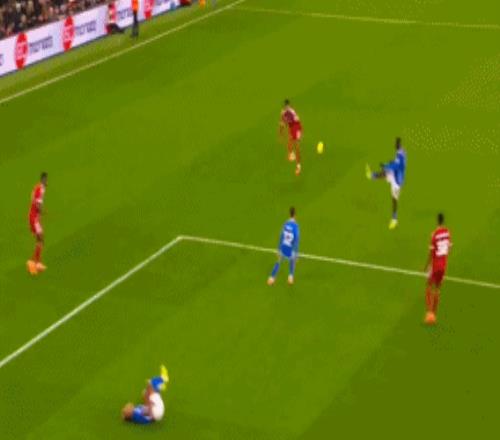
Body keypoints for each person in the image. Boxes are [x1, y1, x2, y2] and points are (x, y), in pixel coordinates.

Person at [366, 137, 407, 229]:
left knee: (394, 200)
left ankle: (394, 219)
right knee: (385, 174)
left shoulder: (400, 155)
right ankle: (371, 175)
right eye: (395, 143)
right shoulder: (400, 152)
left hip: (397, 181)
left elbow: (396, 165)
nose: (394, 145)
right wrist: (389, 164)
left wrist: (385, 165)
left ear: (398, 145)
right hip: (395, 174)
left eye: (396, 144)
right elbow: (396, 163)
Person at [424, 213, 452, 325]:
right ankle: (434, 315)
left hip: (435, 265)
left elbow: (431, 253)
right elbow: (449, 248)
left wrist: (426, 266)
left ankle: (429, 313)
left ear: (437, 221)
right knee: (437, 289)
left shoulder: (434, 234)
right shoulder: (447, 232)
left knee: (428, 286)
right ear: (443, 221)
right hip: (443, 265)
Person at [267, 207, 300, 285]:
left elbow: (281, 236)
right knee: (292, 259)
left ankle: (271, 278)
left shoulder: (286, 224)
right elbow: (296, 239)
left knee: (278, 261)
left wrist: (278, 249)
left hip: (283, 246)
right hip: (290, 248)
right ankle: (290, 277)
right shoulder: (296, 226)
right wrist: (296, 254)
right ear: (295, 215)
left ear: (289, 214)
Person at [27, 172, 48, 276]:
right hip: (34, 218)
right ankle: (32, 263)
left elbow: (34, 200)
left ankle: (37, 263)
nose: (47, 181)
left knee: (39, 240)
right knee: (41, 239)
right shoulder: (40, 189)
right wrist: (43, 212)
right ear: (43, 179)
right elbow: (37, 204)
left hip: (34, 217)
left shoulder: (38, 187)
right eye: (46, 179)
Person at [279, 99, 303, 176]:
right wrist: (281, 132)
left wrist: (282, 130)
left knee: (296, 146)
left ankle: (298, 166)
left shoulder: (291, 112)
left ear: (289, 105)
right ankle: (292, 154)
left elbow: (287, 122)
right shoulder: (283, 112)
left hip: (296, 128)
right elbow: (282, 123)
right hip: (292, 128)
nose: (287, 107)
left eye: (288, 106)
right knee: (290, 143)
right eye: (286, 106)